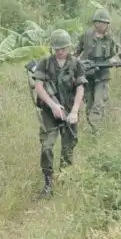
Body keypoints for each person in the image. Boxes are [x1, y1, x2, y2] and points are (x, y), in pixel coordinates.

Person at [31, 29, 87, 199]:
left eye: (63, 48)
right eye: (57, 49)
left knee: (68, 149)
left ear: (69, 47)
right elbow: (39, 86)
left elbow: (80, 88)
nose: (60, 52)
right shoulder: (45, 63)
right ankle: (48, 183)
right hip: (49, 113)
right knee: (47, 147)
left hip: (69, 111)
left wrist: (75, 111)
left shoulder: (76, 64)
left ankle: (65, 182)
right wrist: (53, 105)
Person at [74, 8, 120, 132]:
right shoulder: (86, 36)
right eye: (100, 22)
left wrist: (113, 60)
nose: (103, 25)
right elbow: (75, 53)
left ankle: (96, 130)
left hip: (102, 75)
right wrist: (75, 64)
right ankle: (94, 128)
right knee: (89, 103)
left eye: (105, 23)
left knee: (98, 103)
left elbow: (114, 54)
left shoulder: (109, 38)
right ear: (95, 22)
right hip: (87, 74)